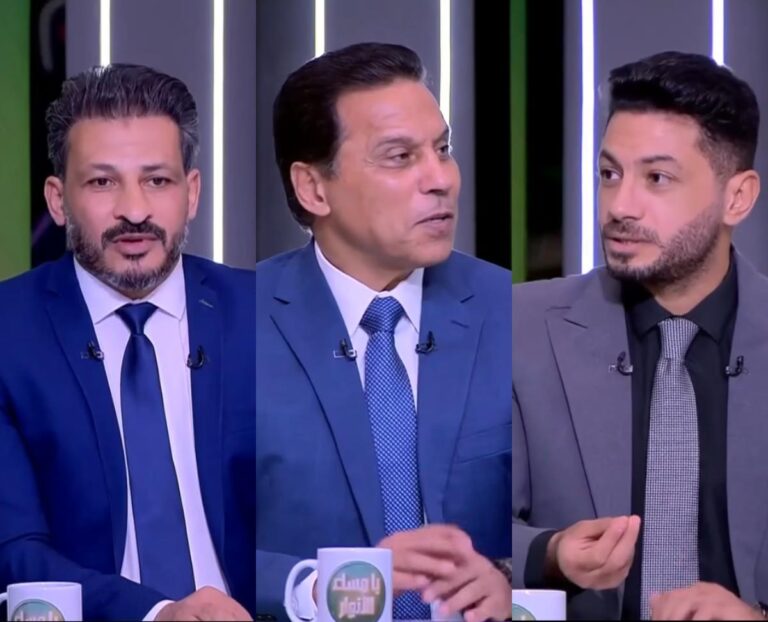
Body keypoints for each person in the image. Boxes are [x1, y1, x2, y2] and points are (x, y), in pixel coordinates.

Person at [253, 42, 512, 621]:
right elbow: (192, 545)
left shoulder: (512, 312)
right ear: (313, 188)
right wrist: (320, 587)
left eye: (442, 149)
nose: (440, 179)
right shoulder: (233, 329)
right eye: (400, 157)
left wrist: (508, 577)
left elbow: (561, 523)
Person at [512, 50, 768, 620]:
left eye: (657, 178)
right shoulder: (520, 330)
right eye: (610, 174)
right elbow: (457, 526)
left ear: (737, 197)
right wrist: (548, 553)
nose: (620, 206)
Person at [0, 64, 254, 621]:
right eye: (102, 182)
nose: (135, 211)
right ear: (58, 200)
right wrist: (157, 613)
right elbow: (14, 553)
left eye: (157, 181)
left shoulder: (263, 315)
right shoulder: (8, 333)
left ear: (192, 193)